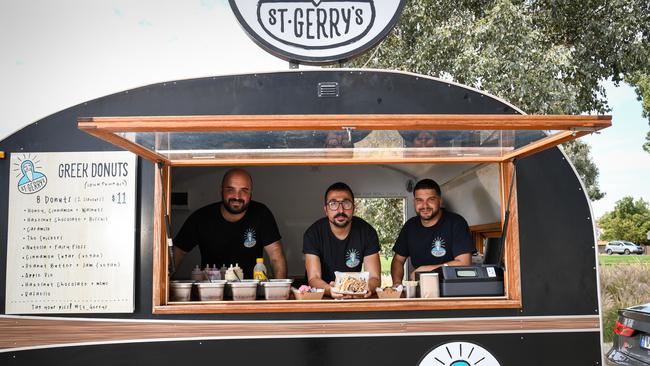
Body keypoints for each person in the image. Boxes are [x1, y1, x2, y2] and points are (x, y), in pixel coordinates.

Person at [173, 168, 287, 279]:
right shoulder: (201, 217)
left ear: (251, 192)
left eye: (244, 190)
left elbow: (276, 256)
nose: (237, 196)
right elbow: (177, 253)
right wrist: (163, 287)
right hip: (211, 292)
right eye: (230, 189)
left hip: (251, 293)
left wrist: (282, 293)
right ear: (221, 190)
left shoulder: (261, 213)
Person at [302, 182, 381, 299]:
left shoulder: (367, 232)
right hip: (321, 297)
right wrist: (331, 290)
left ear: (354, 207)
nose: (340, 210)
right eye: (333, 204)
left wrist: (366, 288)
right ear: (326, 209)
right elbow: (313, 278)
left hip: (355, 296)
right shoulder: (313, 233)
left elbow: (375, 278)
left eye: (346, 203)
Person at [391, 179, 473, 285]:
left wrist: (427, 270)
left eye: (431, 199)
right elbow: (398, 260)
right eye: (419, 200)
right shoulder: (410, 226)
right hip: (421, 287)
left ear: (440, 200)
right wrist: (397, 284)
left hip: (451, 287)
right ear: (414, 202)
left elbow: (464, 263)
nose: (425, 206)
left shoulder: (456, 223)